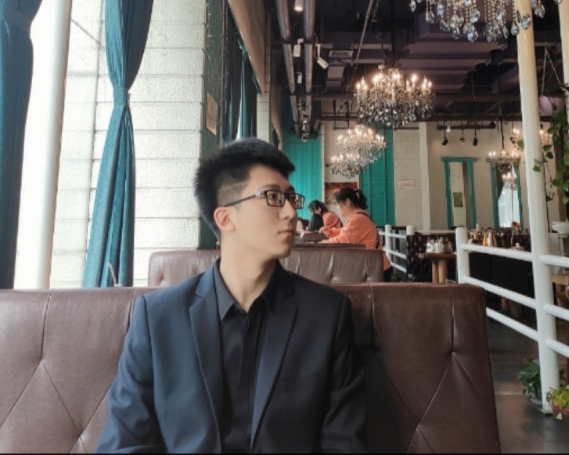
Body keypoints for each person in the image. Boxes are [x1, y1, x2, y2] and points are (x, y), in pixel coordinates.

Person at [97, 137, 367, 453]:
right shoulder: (157, 318)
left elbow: (343, 445)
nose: (291, 212)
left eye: (290, 198)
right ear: (225, 218)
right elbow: (125, 443)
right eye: (273, 197)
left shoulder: (326, 315)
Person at [319, 187, 393, 282]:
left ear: (347, 202)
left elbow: (342, 241)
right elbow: (347, 232)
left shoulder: (358, 219)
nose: (337, 209)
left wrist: (320, 244)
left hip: (376, 269)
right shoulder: (358, 217)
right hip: (373, 266)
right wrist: (331, 232)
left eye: (338, 205)